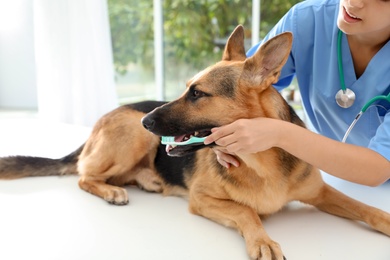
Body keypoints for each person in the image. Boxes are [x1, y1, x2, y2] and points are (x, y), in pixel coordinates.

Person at [204, 0, 390, 186]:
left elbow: (378, 169)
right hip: (333, 178)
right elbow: (243, 90)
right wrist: (223, 134)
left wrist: (280, 134)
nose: (354, 2)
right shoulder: (307, 20)